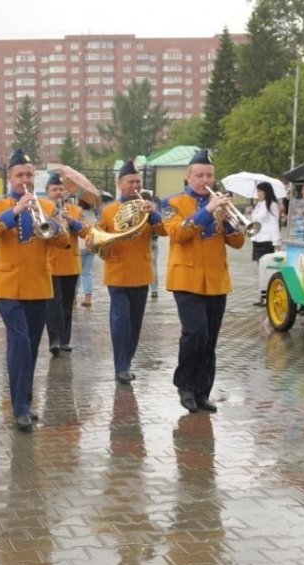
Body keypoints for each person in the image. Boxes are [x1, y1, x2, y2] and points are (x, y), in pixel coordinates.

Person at [0, 150, 69, 431]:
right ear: (10, 178)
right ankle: (19, 409)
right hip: (10, 288)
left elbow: (64, 241)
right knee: (19, 345)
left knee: (30, 349)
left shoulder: (48, 207)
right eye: (20, 175)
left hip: (40, 286)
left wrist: (53, 226)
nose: (25, 179)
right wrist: (15, 210)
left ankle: (25, 403)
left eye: (29, 175)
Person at [164, 150, 245, 413]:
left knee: (210, 339)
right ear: (188, 177)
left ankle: (202, 392)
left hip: (216, 280)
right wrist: (207, 212)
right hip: (185, 279)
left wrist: (231, 222)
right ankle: (185, 385)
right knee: (195, 333)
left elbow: (238, 243)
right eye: (199, 175)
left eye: (209, 175)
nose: (205, 180)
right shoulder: (171, 202)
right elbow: (177, 234)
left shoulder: (221, 204)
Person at [87, 160, 165, 385]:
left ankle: (126, 361)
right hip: (118, 271)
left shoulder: (147, 208)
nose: (135, 186)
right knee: (121, 319)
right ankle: (120, 365)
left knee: (135, 322)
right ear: (120, 184)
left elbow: (165, 231)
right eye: (131, 182)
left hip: (141, 272)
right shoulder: (110, 210)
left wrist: (154, 215)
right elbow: (96, 236)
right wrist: (96, 242)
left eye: (138, 182)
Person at [44, 173, 89, 355]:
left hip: (70, 264)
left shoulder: (75, 210)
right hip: (51, 264)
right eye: (54, 189)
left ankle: (65, 340)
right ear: (47, 192)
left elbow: (87, 231)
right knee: (53, 305)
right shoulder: (43, 208)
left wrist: (73, 223)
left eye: (61, 189)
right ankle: (54, 340)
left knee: (67, 305)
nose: (58, 193)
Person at [250, 181, 282, 307]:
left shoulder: (272, 204)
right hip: (257, 239)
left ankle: (268, 295)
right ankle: (263, 296)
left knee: (266, 269)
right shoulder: (258, 204)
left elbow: (274, 223)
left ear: (266, 192)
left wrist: (276, 241)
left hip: (267, 240)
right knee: (260, 269)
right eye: (257, 191)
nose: (258, 194)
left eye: (260, 191)